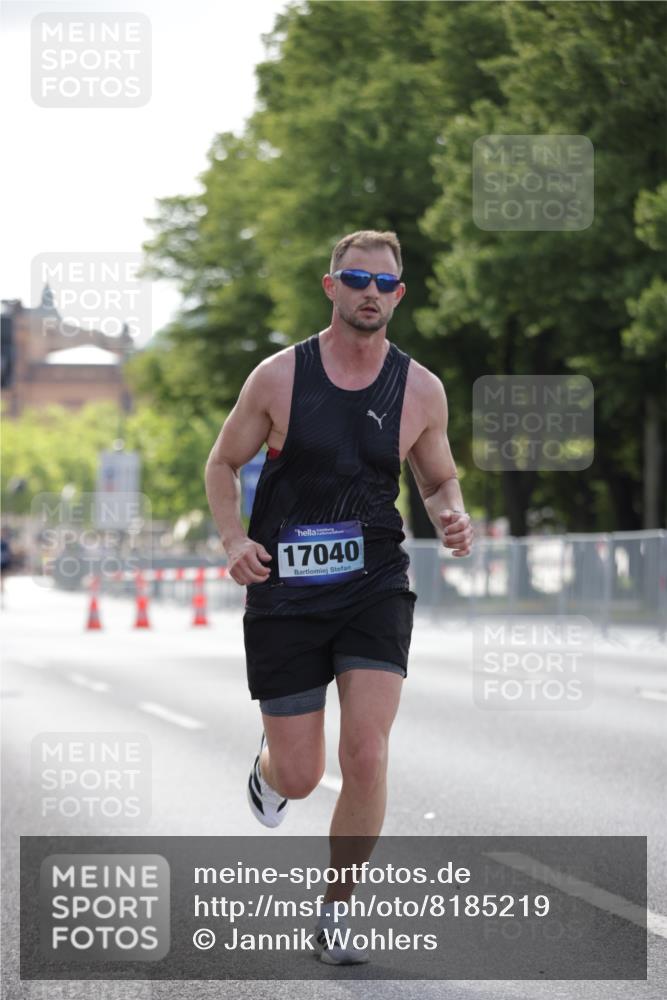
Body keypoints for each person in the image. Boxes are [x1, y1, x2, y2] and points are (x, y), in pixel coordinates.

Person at [205, 229, 473, 964]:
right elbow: (223, 462)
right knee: (299, 772)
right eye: (356, 279)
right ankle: (271, 770)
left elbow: (436, 476)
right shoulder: (278, 378)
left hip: (373, 584)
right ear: (331, 287)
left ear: (399, 295)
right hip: (285, 590)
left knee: (366, 750)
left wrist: (451, 510)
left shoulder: (420, 389)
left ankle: (338, 912)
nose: (370, 293)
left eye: (384, 283)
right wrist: (234, 540)